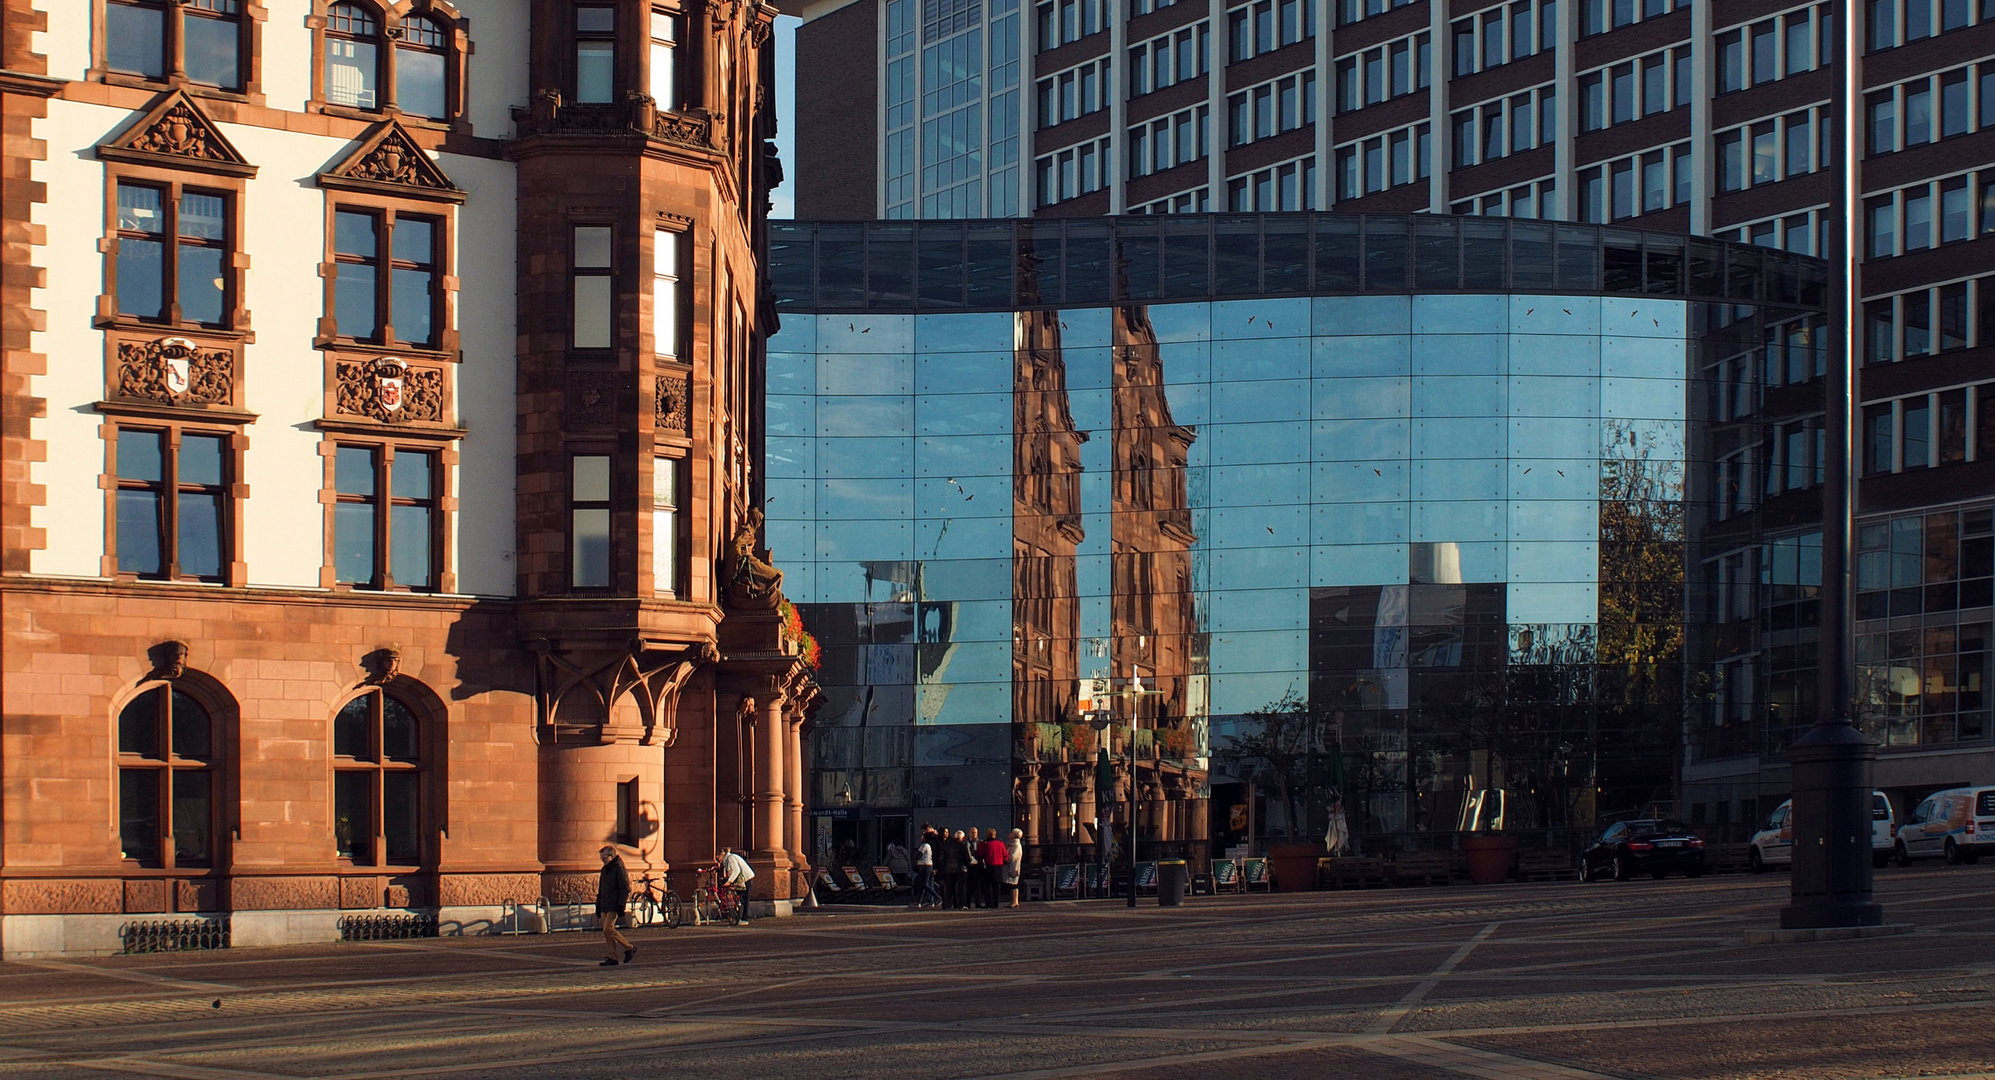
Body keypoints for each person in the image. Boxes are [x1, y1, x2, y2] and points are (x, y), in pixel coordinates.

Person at [596, 845, 634, 967]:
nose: (603, 861)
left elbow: (625, 888)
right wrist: (598, 904)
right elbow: (601, 889)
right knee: (606, 931)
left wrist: (621, 905)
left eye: (604, 858)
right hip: (605, 904)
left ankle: (629, 947)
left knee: (609, 929)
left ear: (611, 856)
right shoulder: (605, 869)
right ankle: (612, 956)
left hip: (614, 904)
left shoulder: (619, 868)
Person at [718, 845, 755, 924]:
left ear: (723, 854)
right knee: (739, 898)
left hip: (745, 879)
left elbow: (736, 870)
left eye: (718, 855)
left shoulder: (731, 858)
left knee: (744, 898)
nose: (717, 858)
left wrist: (729, 881)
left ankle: (744, 918)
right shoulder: (726, 860)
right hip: (741, 880)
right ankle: (739, 917)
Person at [939, 828, 971, 910]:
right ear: (963, 837)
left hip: (949, 869)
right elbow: (968, 858)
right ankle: (962, 904)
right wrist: (967, 866)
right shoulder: (963, 846)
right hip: (961, 869)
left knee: (950, 888)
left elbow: (942, 858)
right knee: (961, 888)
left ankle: (948, 905)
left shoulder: (947, 845)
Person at [978, 828, 1008, 909]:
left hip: (988, 866)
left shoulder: (984, 844)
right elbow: (1005, 855)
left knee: (988, 886)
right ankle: (996, 903)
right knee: (997, 886)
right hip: (999, 866)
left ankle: (989, 903)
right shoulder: (1001, 844)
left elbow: (978, 854)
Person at [911, 826, 939, 908]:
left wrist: (916, 855)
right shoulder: (930, 846)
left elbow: (918, 856)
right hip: (930, 865)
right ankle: (919, 901)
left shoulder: (924, 846)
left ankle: (937, 896)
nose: (921, 837)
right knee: (925, 884)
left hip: (924, 866)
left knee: (924, 884)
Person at [1003, 828, 1024, 908]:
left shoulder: (1016, 845)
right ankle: (1012, 901)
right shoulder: (1011, 844)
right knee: (1011, 884)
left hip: (1013, 867)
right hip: (1010, 866)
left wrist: (1005, 858)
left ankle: (1015, 901)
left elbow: (1013, 857)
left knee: (1014, 884)